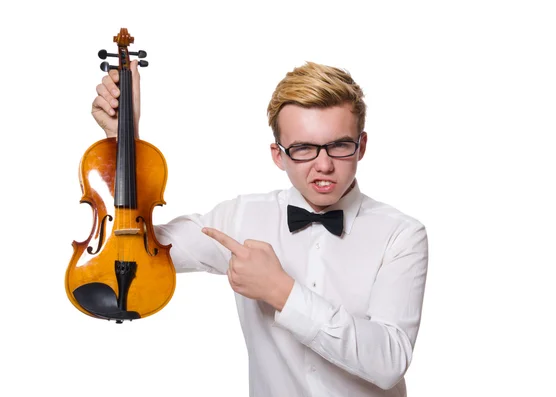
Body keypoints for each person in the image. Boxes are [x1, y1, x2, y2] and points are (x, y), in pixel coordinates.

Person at [92, 60, 429, 397]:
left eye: (340, 145)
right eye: (303, 149)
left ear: (362, 146)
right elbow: (134, 248)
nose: (323, 165)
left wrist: (281, 291)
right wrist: (123, 141)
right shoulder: (241, 218)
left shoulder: (401, 235)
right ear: (278, 155)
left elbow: (389, 361)